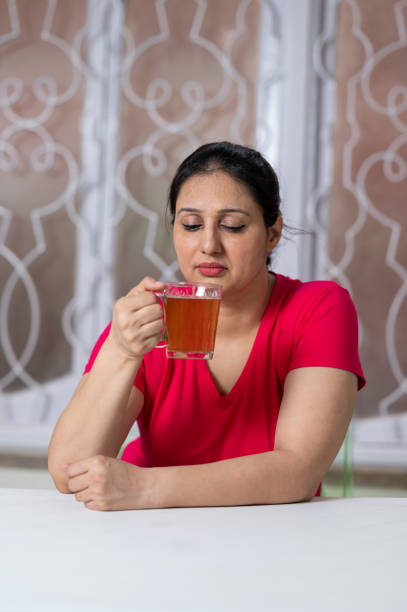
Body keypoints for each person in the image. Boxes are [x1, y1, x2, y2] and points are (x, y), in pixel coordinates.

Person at [48, 141, 365, 511]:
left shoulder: (318, 308)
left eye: (232, 226)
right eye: (192, 225)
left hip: (273, 539)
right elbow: (67, 471)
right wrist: (121, 350)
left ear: (273, 233)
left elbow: (298, 471)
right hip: (151, 534)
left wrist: (145, 488)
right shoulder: (146, 320)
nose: (209, 245)